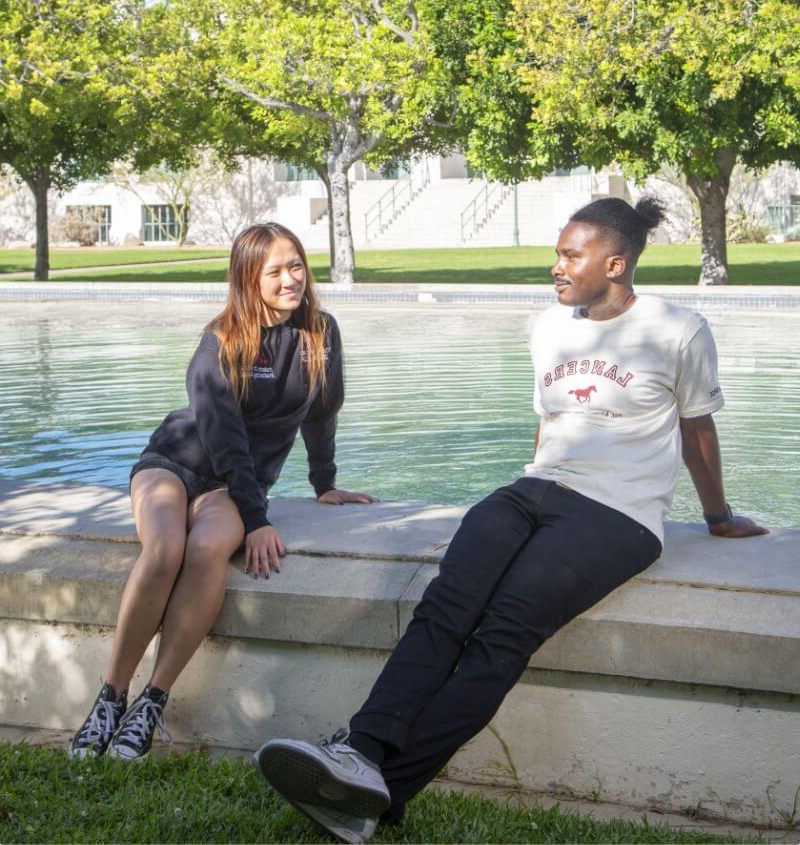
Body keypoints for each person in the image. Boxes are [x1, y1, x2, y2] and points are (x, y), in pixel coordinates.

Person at [254, 197, 768, 844]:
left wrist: (717, 516)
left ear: (614, 262)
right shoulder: (549, 327)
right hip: (531, 493)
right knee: (443, 612)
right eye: (556, 252)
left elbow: (697, 430)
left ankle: (383, 793)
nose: (556, 266)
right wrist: (528, 496)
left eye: (569, 255)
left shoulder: (678, 329)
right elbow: (548, 425)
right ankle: (359, 752)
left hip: (619, 514)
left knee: (502, 636)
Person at [69, 222, 376, 762]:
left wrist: (323, 482)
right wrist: (257, 517)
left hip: (235, 484)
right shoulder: (222, 339)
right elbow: (224, 436)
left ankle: (152, 702)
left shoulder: (321, 333)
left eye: (297, 265)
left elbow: (324, 411)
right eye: (275, 271)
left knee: (208, 548)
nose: (290, 279)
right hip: (176, 461)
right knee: (165, 549)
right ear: (248, 278)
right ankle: (110, 697)